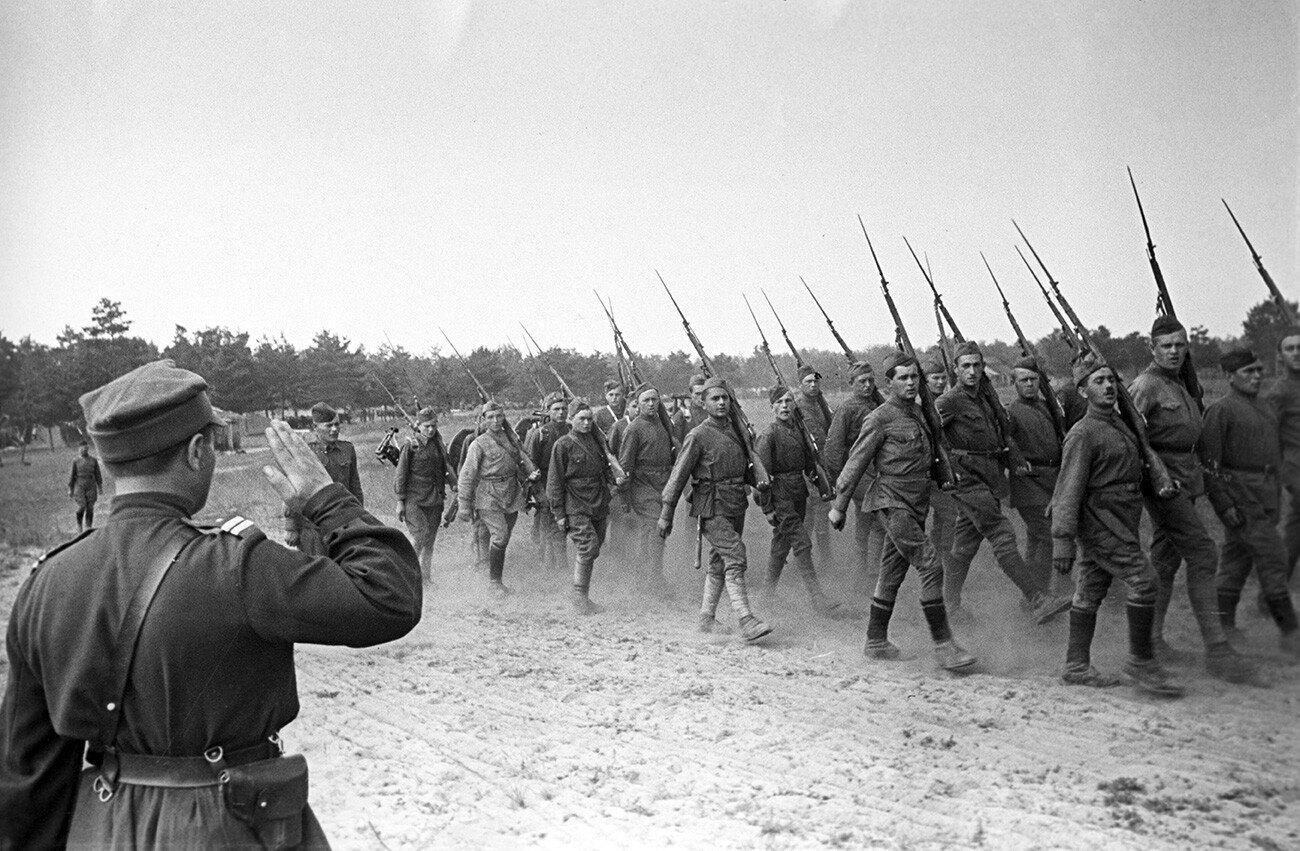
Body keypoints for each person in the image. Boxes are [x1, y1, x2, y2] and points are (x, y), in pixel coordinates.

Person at [0, 359, 421, 848]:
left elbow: (26, 776)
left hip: (103, 827)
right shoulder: (237, 566)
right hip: (227, 826)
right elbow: (390, 596)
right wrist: (327, 499)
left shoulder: (45, 582)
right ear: (198, 450)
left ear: (110, 461)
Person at [828, 353, 975, 670]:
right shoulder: (879, 418)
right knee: (931, 565)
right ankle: (944, 645)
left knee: (892, 573)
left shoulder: (922, 413)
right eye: (903, 378)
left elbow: (934, 452)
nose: (911, 383)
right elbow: (855, 464)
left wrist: (945, 477)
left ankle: (876, 640)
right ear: (889, 382)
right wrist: (839, 508)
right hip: (891, 502)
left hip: (917, 501)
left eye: (914, 377)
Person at [1051, 355, 1183, 695]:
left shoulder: (1120, 424)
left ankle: (1076, 665)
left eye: (1112, 380)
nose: (1108, 386)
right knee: (1144, 580)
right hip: (1100, 521)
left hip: (1123, 519)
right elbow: (1068, 489)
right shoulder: (1083, 433)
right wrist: (1063, 539)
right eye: (1099, 381)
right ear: (1082, 392)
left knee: (1091, 588)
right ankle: (1140, 664)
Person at [1128, 316, 1242, 673]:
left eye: (1180, 345)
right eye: (1166, 346)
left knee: (1166, 560)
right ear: (1153, 348)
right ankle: (1219, 652)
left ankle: (1152, 642)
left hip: (1186, 479)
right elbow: (1131, 436)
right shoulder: (1146, 385)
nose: (1174, 351)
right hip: (1163, 484)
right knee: (1204, 553)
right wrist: (1150, 476)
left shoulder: (1179, 383)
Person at [936, 341, 1069, 623]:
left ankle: (949, 605)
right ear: (956, 370)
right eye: (965, 366)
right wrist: (949, 468)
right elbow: (931, 436)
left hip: (990, 476)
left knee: (964, 545)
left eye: (976, 365)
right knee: (1002, 534)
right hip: (968, 478)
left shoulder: (985, 398)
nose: (972, 371)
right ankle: (1036, 598)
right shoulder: (949, 401)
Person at [1202, 348, 1300, 660]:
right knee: (1274, 557)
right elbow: (1209, 463)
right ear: (1229, 377)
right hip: (1241, 494)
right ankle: (1290, 634)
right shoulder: (1221, 411)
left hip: (1267, 493)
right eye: (1248, 372)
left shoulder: (1266, 407)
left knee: (1237, 561)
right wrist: (1223, 503)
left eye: (1259, 370)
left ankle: (1223, 627)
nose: (1257, 376)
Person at [659, 377, 772, 642]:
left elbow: (742, 468)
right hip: (711, 505)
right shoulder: (697, 435)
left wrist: (759, 479)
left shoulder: (736, 431)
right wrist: (666, 513)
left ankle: (706, 619)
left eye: (725, 398)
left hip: (735, 503)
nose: (721, 403)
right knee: (735, 555)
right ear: (704, 403)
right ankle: (746, 619)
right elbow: (678, 475)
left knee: (719, 560)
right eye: (715, 399)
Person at [757, 386, 850, 618]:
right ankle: (818, 599)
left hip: (798, 494)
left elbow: (810, 464)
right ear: (772, 407)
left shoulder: (799, 431)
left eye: (789, 401)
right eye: (779, 402)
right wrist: (767, 508)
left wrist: (824, 487)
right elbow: (762, 477)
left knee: (781, 547)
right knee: (802, 543)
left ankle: (765, 598)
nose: (785, 406)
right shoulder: (769, 435)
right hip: (780, 496)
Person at [457, 400, 539, 595]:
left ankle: (494, 576)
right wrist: (464, 505)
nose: (495, 420)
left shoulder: (512, 439)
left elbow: (519, 460)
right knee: (500, 535)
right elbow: (467, 475)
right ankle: (494, 583)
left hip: (511, 493)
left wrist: (529, 473)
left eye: (499, 416)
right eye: (490, 417)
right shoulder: (479, 444)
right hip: (489, 494)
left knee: (504, 537)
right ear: (483, 420)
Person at [548, 399, 622, 614]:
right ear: (571, 420)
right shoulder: (563, 445)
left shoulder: (597, 441)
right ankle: (579, 598)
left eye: (590, 419)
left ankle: (583, 596)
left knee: (595, 548)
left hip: (598, 501)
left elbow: (604, 468)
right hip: (575, 503)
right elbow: (554, 482)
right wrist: (559, 514)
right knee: (588, 547)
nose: (587, 423)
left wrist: (615, 479)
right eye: (582, 419)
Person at [824, 361, 886, 590]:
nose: (868, 385)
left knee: (865, 523)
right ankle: (870, 577)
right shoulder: (848, 408)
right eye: (862, 381)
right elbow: (833, 448)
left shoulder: (877, 404)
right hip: (860, 475)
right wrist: (841, 483)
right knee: (879, 520)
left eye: (871, 380)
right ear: (851, 384)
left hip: (878, 471)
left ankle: (863, 578)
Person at [1004, 357, 1062, 593]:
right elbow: (1005, 441)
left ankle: (1033, 598)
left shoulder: (1050, 406)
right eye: (1023, 380)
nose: (1029, 384)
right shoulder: (1011, 412)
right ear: (1014, 383)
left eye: (1033, 379)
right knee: (1049, 535)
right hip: (1028, 482)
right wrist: (1016, 459)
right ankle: (1039, 593)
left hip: (1052, 478)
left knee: (1037, 539)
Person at [617, 383, 677, 595]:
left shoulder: (661, 424)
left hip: (662, 484)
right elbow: (625, 466)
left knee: (652, 533)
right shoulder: (634, 428)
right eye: (646, 401)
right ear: (638, 404)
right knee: (656, 528)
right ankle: (654, 581)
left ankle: (644, 578)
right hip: (642, 485)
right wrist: (625, 498)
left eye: (654, 400)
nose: (651, 404)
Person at [285, 402, 364, 555]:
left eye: (337, 425)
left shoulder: (347, 449)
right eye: (328, 426)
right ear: (316, 427)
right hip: (313, 526)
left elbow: (355, 486)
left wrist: (360, 516)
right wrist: (291, 526)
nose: (334, 430)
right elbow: (293, 490)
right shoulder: (305, 453)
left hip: (343, 521)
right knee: (318, 571)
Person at [394, 406, 456, 582]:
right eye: (427, 426)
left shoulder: (438, 444)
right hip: (414, 500)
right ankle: (409, 577)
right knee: (421, 535)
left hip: (435, 499)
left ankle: (426, 579)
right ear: (418, 425)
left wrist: (454, 484)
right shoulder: (410, 446)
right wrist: (400, 501)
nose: (431, 429)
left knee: (430, 541)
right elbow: (401, 474)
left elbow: (446, 466)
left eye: (434, 426)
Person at [1265, 328, 1300, 586]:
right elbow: (1269, 434)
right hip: (1296, 469)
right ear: (1280, 355)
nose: (1296, 354)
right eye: (1290, 349)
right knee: (1293, 534)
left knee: (1294, 533)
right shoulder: (1280, 391)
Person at [794, 365, 835, 565]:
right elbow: (815, 438)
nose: (812, 385)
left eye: (815, 381)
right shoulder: (801, 406)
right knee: (818, 511)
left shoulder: (818, 403)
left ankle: (803, 559)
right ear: (800, 384)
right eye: (808, 382)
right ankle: (823, 561)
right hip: (809, 466)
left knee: (811, 515)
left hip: (819, 463)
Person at [525, 392, 570, 573]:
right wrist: (538, 492)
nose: (561, 413)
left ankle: (553, 563)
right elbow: (530, 463)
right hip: (545, 482)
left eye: (564, 409)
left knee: (560, 524)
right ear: (548, 411)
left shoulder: (571, 430)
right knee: (549, 524)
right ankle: (551, 564)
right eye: (556, 409)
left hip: (567, 483)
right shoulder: (540, 434)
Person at [923, 359, 959, 587]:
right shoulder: (921, 405)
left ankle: (937, 562)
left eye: (942, 378)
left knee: (941, 519)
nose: (940, 382)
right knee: (951, 516)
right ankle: (944, 564)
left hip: (945, 469)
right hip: (929, 472)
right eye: (934, 378)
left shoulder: (946, 403)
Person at [68, 440, 104, 532]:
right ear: (79, 449)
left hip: (91, 484)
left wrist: (100, 487)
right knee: (82, 505)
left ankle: (88, 526)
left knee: (90, 506)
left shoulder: (93, 460)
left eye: (85, 448)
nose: (83, 450)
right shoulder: (75, 461)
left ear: (87, 448)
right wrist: (70, 488)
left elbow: (98, 474)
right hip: (79, 484)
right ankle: (79, 525)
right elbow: (72, 475)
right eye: (81, 448)